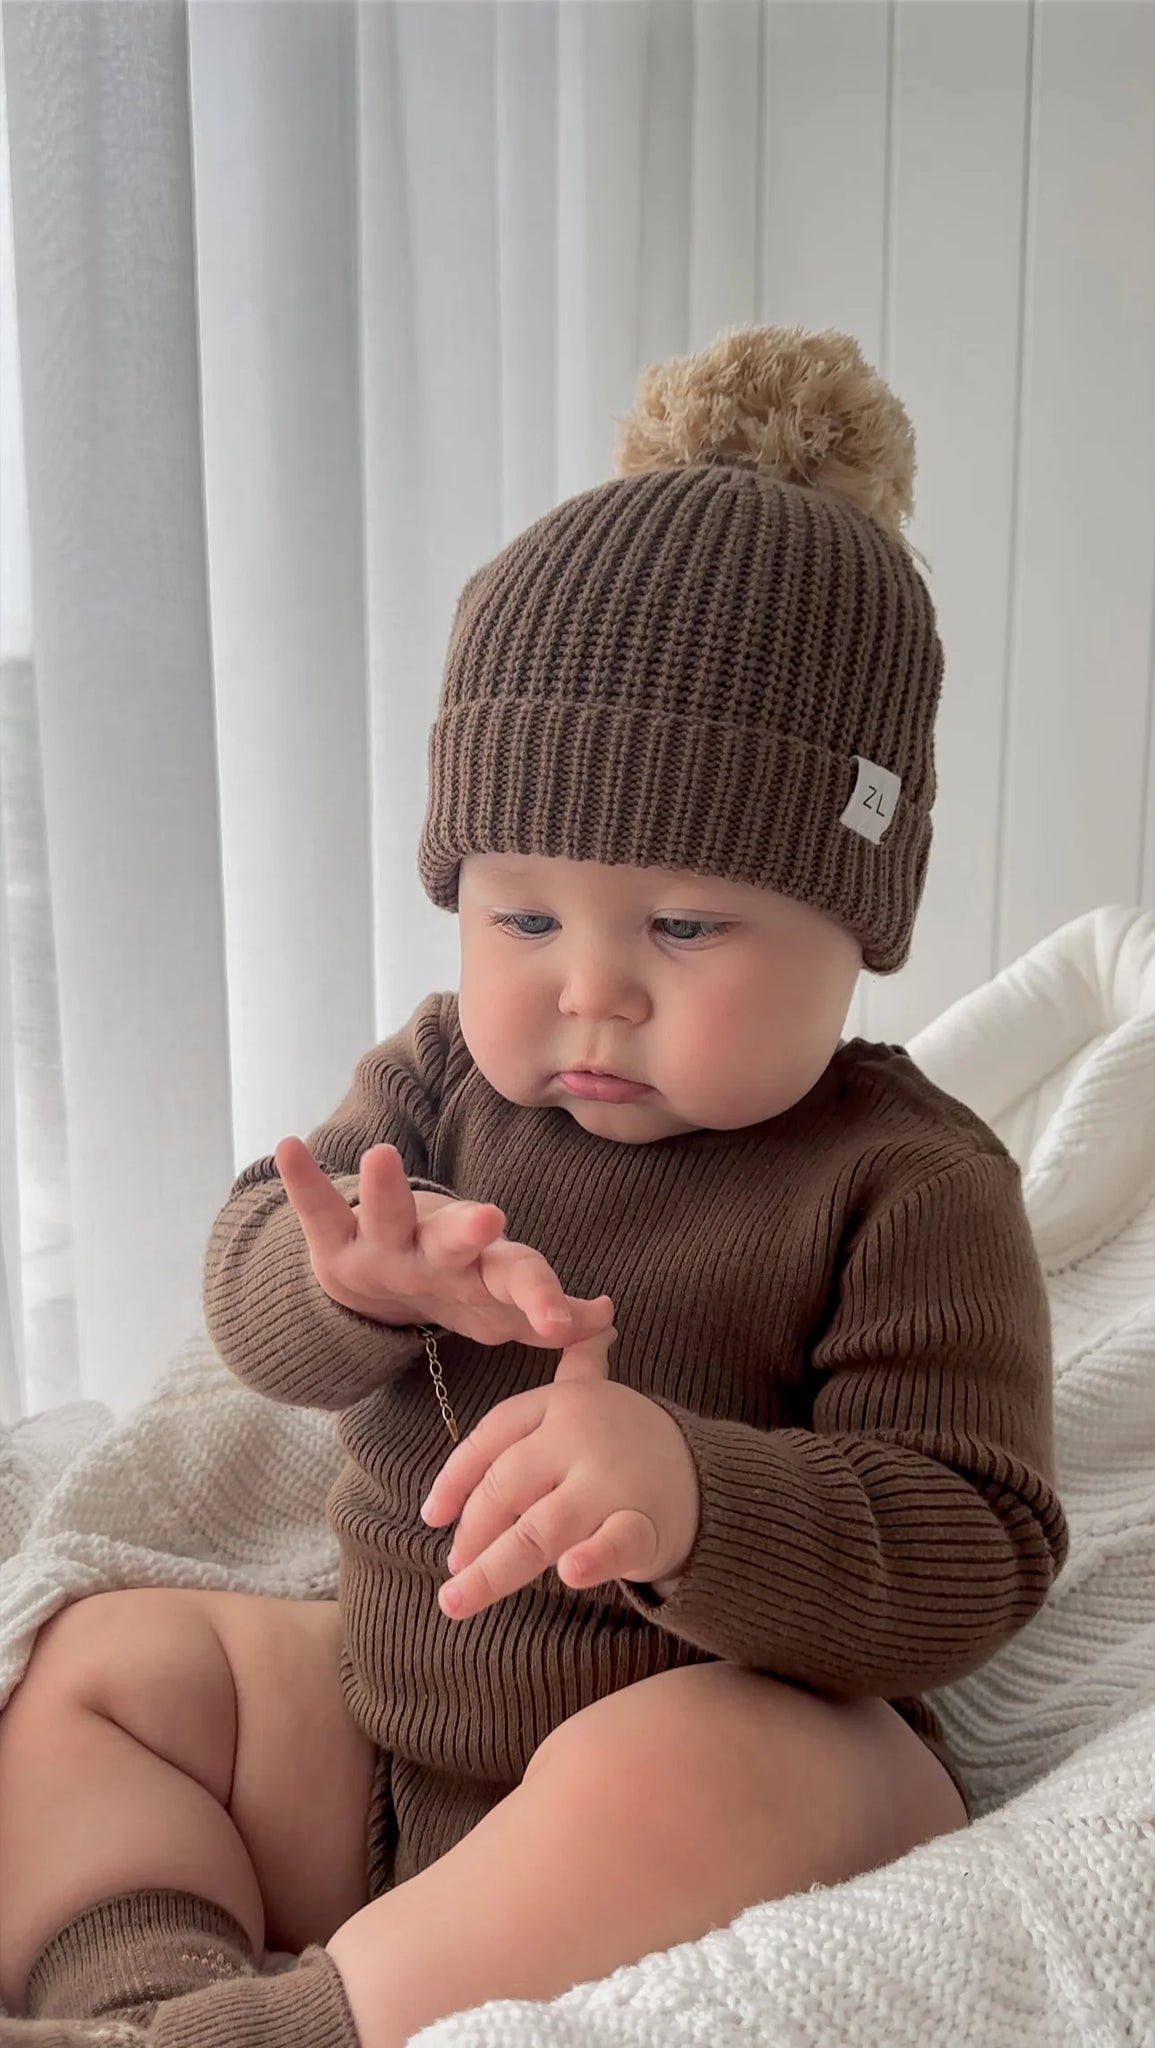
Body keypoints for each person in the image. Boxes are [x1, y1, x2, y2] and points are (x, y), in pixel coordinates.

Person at [0, 326, 1069, 2048]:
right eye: (522, 915)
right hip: (394, 1743)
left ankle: (268, 2035)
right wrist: (348, 1281)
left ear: (856, 922)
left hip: (690, 1770)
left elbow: (976, 1545)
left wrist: (697, 1496)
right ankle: (140, 1993)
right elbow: (259, 1269)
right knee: (106, 1669)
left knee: (740, 1767)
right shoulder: (442, 1081)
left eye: (685, 924)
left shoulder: (904, 1182)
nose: (593, 989)